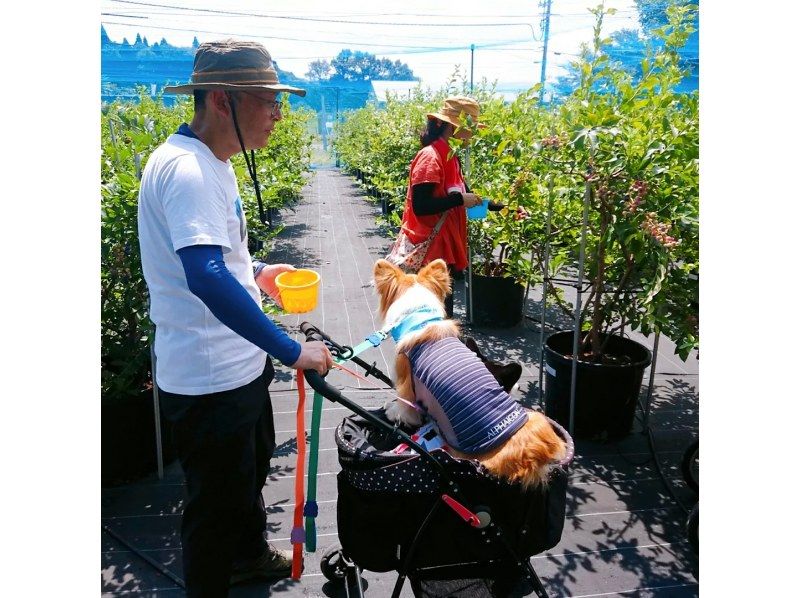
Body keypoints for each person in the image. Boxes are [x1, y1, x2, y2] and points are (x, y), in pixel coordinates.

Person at [137, 39, 333, 597]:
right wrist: (292, 350)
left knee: (245, 480)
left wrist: (262, 271)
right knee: (213, 512)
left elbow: (218, 259)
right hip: (209, 381)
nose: (277, 112)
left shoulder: (210, 163)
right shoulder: (190, 171)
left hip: (235, 370)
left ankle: (247, 558)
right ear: (223, 101)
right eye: (267, 100)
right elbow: (204, 276)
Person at [398, 96, 506, 317]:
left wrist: (507, 207)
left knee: (442, 311)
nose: (468, 136)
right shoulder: (431, 157)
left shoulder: (450, 158)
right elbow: (421, 206)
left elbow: (469, 196)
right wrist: (459, 200)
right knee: (432, 313)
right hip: (429, 250)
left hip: (443, 249)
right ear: (447, 126)